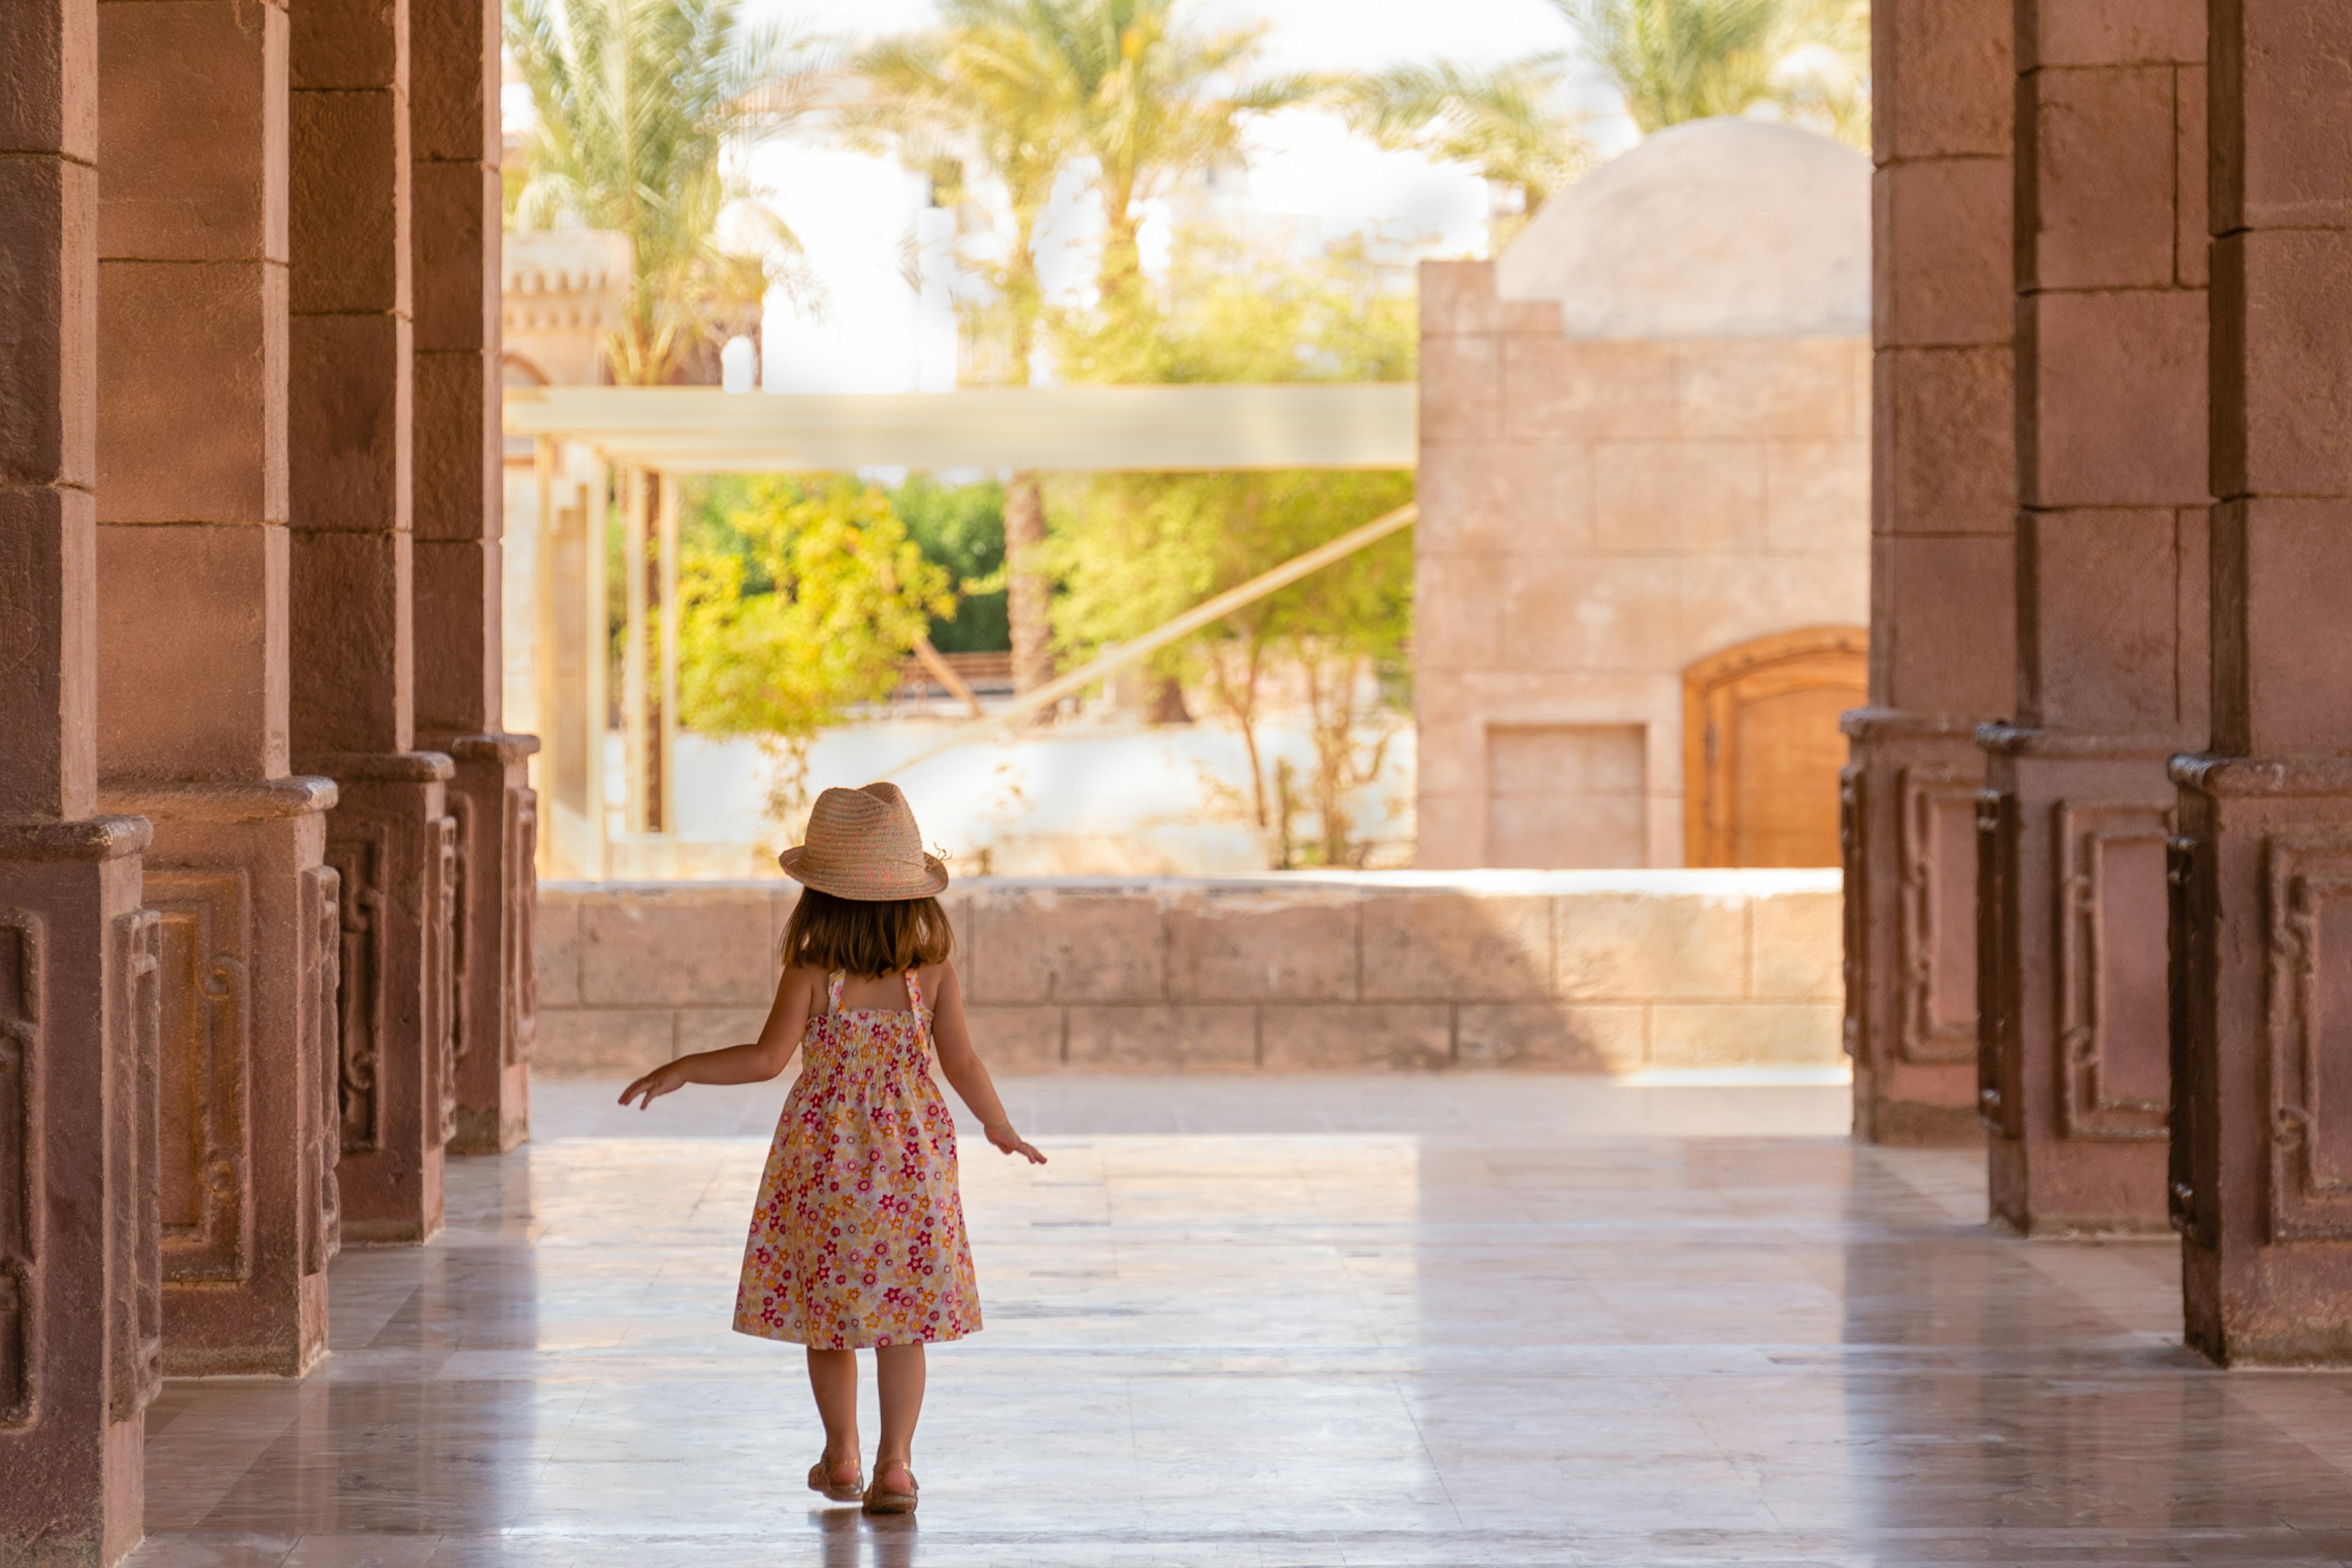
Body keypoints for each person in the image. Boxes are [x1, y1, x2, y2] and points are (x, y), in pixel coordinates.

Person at [618, 782, 1046, 1517]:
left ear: (821, 896)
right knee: (902, 1319)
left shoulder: (815, 971)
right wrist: (998, 1125)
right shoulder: (932, 972)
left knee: (832, 1314)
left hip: (825, 1165)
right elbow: (963, 1065)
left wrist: (685, 1066)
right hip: (912, 1159)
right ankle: (899, 1467)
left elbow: (764, 1058)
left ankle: (843, 1456)